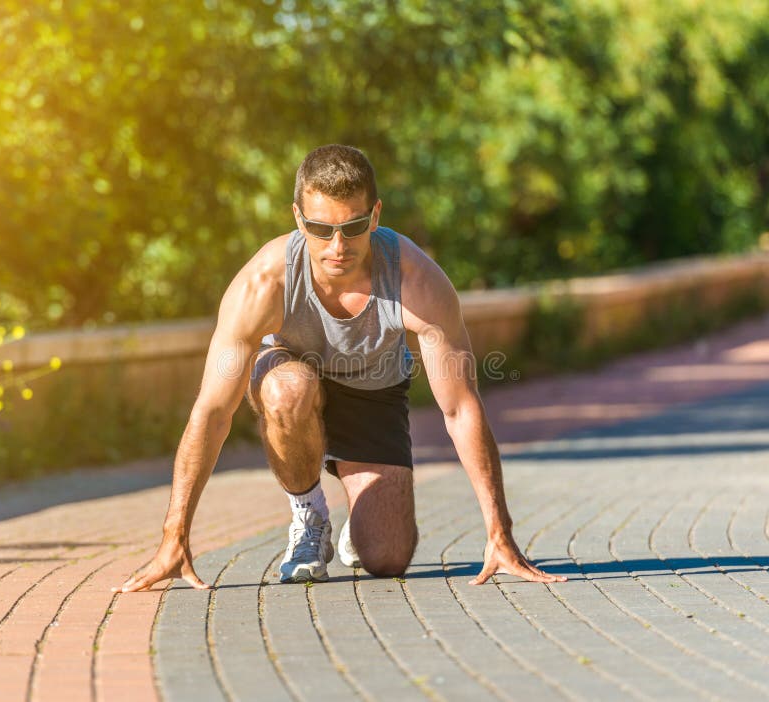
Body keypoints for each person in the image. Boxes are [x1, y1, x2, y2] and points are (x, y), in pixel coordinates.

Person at [113, 144, 566, 592]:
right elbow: (212, 412)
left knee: (387, 558)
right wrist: (174, 537)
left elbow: (460, 409)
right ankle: (309, 515)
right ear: (297, 217)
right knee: (289, 389)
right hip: (293, 375)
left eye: (352, 227)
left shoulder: (415, 280)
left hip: (374, 390)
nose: (337, 246)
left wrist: (499, 532)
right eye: (320, 228)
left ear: (375, 216)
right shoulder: (264, 284)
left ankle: (360, 512)